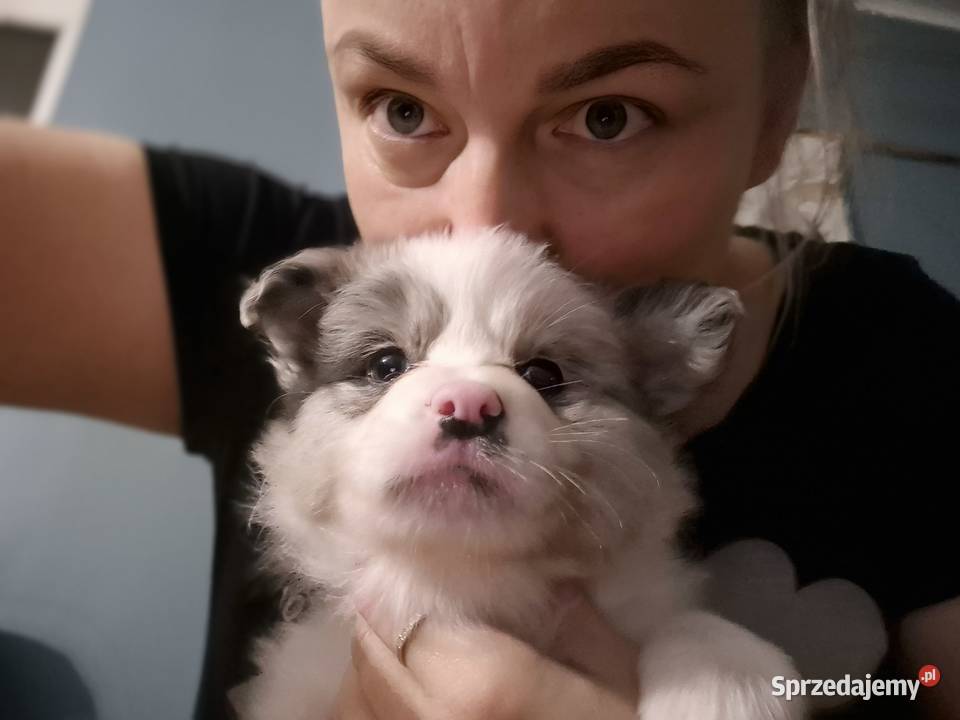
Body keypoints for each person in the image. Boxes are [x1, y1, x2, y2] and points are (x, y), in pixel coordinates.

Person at [1, 0, 957, 718]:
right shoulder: (285, 280)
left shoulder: (911, 356)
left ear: (776, 105)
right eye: (403, 109)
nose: (486, 224)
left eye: (609, 115)